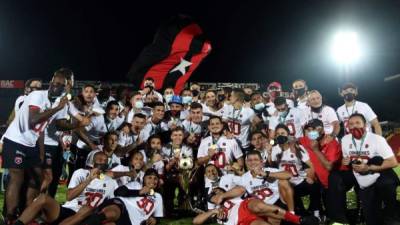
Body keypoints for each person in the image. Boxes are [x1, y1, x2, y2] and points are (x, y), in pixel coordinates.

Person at [2, 73, 69, 224]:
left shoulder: (55, 102)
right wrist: (58, 108)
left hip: (31, 144)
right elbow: (34, 120)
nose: (55, 86)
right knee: (17, 177)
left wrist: (41, 153)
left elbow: (40, 130)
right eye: (54, 83)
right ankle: (10, 217)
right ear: (50, 83)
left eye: (60, 85)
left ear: (64, 88)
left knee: (39, 177)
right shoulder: (38, 96)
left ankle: (28, 210)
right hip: (15, 141)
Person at [327, 113, 399, 225]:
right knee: (335, 177)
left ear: (365, 125)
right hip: (358, 175)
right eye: (351, 124)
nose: (354, 126)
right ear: (347, 126)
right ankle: (339, 216)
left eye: (357, 123)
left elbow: (393, 162)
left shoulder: (377, 139)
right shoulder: (345, 140)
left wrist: (369, 168)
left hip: (376, 174)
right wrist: (345, 162)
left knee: (386, 182)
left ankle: (391, 214)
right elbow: (347, 160)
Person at [12, 151, 117, 225]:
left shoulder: (111, 182)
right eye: (100, 159)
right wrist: (88, 179)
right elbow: (69, 196)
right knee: (43, 198)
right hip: (69, 210)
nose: (103, 162)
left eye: (105, 160)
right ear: (92, 161)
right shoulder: (81, 173)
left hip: (87, 217)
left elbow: (110, 206)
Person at [269, 124, 321, 217]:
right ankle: (302, 215)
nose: (280, 135)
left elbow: (310, 165)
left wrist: (310, 177)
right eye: (277, 134)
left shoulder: (297, 147)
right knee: (296, 204)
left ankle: (316, 211)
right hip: (287, 183)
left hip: (299, 179)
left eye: (282, 133)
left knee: (314, 186)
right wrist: (269, 153)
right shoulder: (274, 149)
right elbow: (272, 167)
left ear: (288, 134)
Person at [83, 168, 163, 225]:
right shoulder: (136, 184)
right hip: (121, 205)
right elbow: (118, 192)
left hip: (132, 221)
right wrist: (139, 192)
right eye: (149, 178)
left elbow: (158, 216)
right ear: (143, 179)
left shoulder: (158, 197)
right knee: (112, 213)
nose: (152, 180)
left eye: (155, 178)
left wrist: (155, 219)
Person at [239, 150, 296, 223]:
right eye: (250, 160)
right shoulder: (244, 178)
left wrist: (267, 174)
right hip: (262, 208)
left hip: (278, 201)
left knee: (283, 181)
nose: (253, 162)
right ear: (246, 162)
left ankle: (292, 213)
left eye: (256, 160)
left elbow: (289, 175)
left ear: (261, 161)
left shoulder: (268, 170)